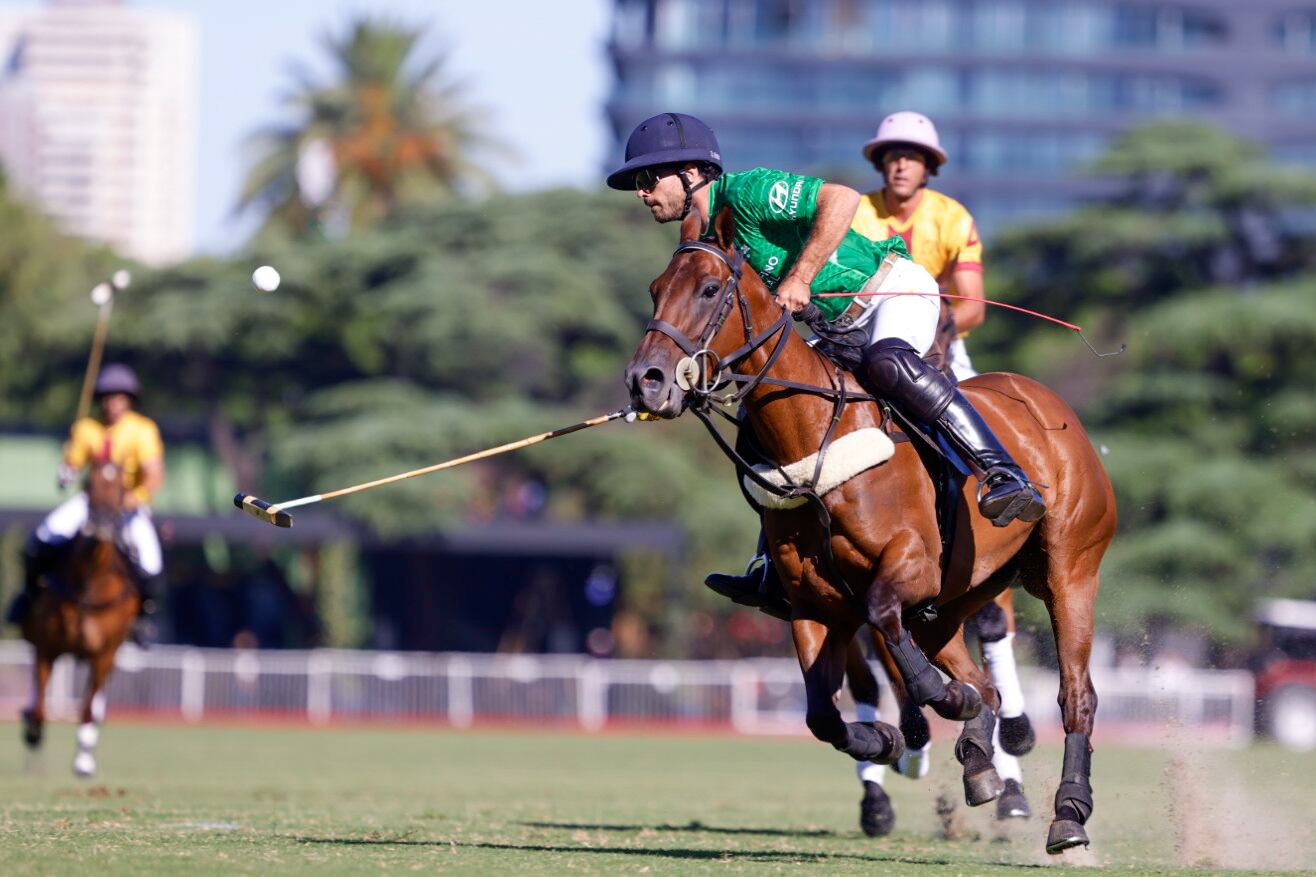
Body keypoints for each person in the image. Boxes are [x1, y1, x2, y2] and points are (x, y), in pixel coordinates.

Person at [606, 112, 1046, 612]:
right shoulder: (697, 232)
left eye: (648, 178)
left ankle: (1003, 473)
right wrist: (684, 382)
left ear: (690, 173)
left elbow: (843, 199)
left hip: (891, 290)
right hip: (837, 329)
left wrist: (801, 277)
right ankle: (769, 562)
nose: (642, 193)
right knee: (762, 415)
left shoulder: (749, 191)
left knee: (888, 364)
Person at [850, 110, 1034, 820]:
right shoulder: (857, 213)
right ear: (880, 163)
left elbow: (975, 303)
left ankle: (1002, 493)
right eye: (892, 155)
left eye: (914, 155)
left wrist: (932, 315)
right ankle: (768, 559)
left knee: (979, 425)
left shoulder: (952, 217)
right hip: (867, 345)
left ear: (930, 165)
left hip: (937, 346)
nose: (902, 164)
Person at [7, 364, 166, 645]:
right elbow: (73, 463)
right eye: (107, 397)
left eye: (118, 397)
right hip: (90, 502)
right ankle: (28, 598)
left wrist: (136, 497)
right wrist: (66, 471)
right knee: (42, 538)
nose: (112, 403)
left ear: (129, 400)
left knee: (151, 562)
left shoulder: (143, 430)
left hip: (126, 504)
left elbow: (154, 474)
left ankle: (143, 619)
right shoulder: (86, 428)